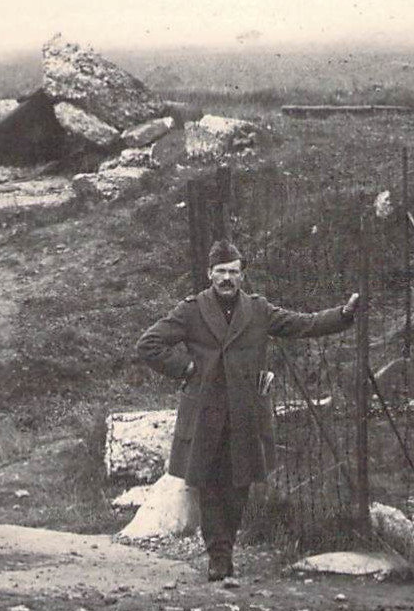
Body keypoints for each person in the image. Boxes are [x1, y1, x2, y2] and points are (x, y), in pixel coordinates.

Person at [136, 240, 359, 580]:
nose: (227, 278)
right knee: (209, 484)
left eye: (234, 272)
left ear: (242, 275)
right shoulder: (192, 310)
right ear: (209, 273)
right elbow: (148, 344)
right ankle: (219, 557)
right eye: (221, 271)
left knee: (239, 484)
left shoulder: (258, 310)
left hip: (244, 412)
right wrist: (187, 368)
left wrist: (342, 316)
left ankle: (227, 545)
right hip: (206, 412)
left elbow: (302, 324)